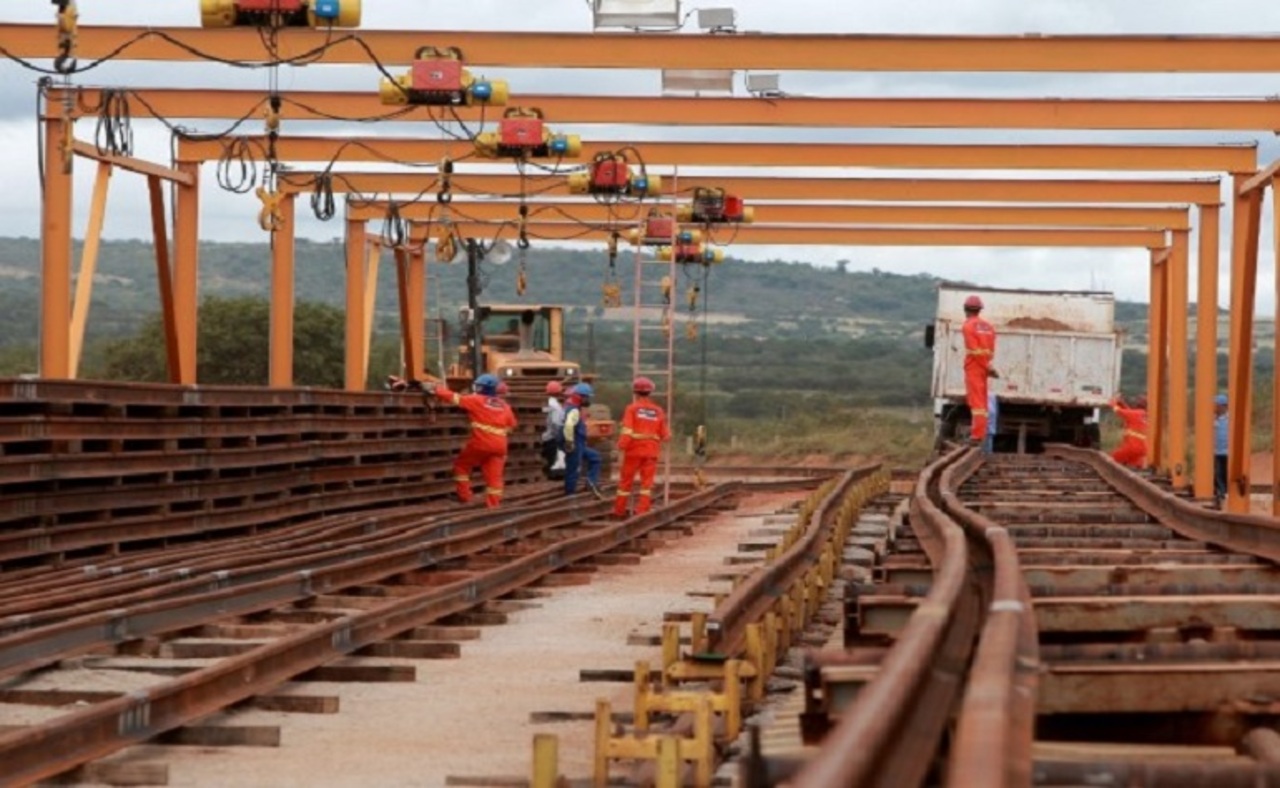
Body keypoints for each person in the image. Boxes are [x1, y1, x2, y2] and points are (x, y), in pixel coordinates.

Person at [395, 373, 518, 508]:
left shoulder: (477, 400)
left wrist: (434, 388)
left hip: (481, 442)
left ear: (483, 388)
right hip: (500, 446)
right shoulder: (504, 406)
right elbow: (512, 425)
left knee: (461, 466)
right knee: (495, 478)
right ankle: (493, 506)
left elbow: (453, 397)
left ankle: (465, 496)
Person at [613, 376, 671, 518]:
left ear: (635, 392)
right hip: (651, 451)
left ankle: (619, 511)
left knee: (626, 482)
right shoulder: (658, 411)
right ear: (650, 392)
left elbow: (627, 431)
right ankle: (642, 512)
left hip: (634, 451)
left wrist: (621, 446)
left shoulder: (632, 409)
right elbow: (666, 435)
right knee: (646, 484)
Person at [961, 295, 998, 445]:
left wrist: (985, 365)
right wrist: (988, 365)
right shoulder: (989, 327)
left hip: (975, 367)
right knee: (981, 402)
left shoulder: (968, 326)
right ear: (979, 310)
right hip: (983, 367)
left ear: (965, 309)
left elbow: (974, 350)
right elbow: (991, 350)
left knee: (976, 402)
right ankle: (980, 433)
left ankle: (976, 436)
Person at [562, 382, 602, 498]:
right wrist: (569, 442)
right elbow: (568, 426)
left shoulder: (574, 408)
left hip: (579, 443)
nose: (588, 400)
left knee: (595, 457)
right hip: (574, 442)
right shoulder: (573, 410)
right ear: (580, 397)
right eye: (587, 397)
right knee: (573, 468)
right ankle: (570, 494)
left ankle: (591, 482)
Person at [1109, 394, 1148, 469]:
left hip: (1131, 447)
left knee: (1110, 460)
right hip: (1142, 449)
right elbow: (1129, 412)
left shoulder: (1134, 414)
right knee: (1135, 467)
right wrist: (1122, 403)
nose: (1136, 401)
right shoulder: (1143, 414)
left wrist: (1112, 403)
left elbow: (1119, 411)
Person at [541, 380, 566, 480]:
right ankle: (554, 476)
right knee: (553, 458)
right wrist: (559, 435)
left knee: (550, 457)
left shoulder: (548, 403)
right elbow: (555, 422)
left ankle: (551, 473)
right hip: (552, 436)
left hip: (547, 435)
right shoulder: (555, 405)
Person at [1214, 393, 1229, 505]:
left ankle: (1226, 492)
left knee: (1226, 472)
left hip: (1228, 451)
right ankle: (1221, 492)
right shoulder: (1213, 419)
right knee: (1218, 473)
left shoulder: (1230, 419)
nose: (1215, 407)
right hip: (1217, 451)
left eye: (1217, 405)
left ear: (1223, 406)